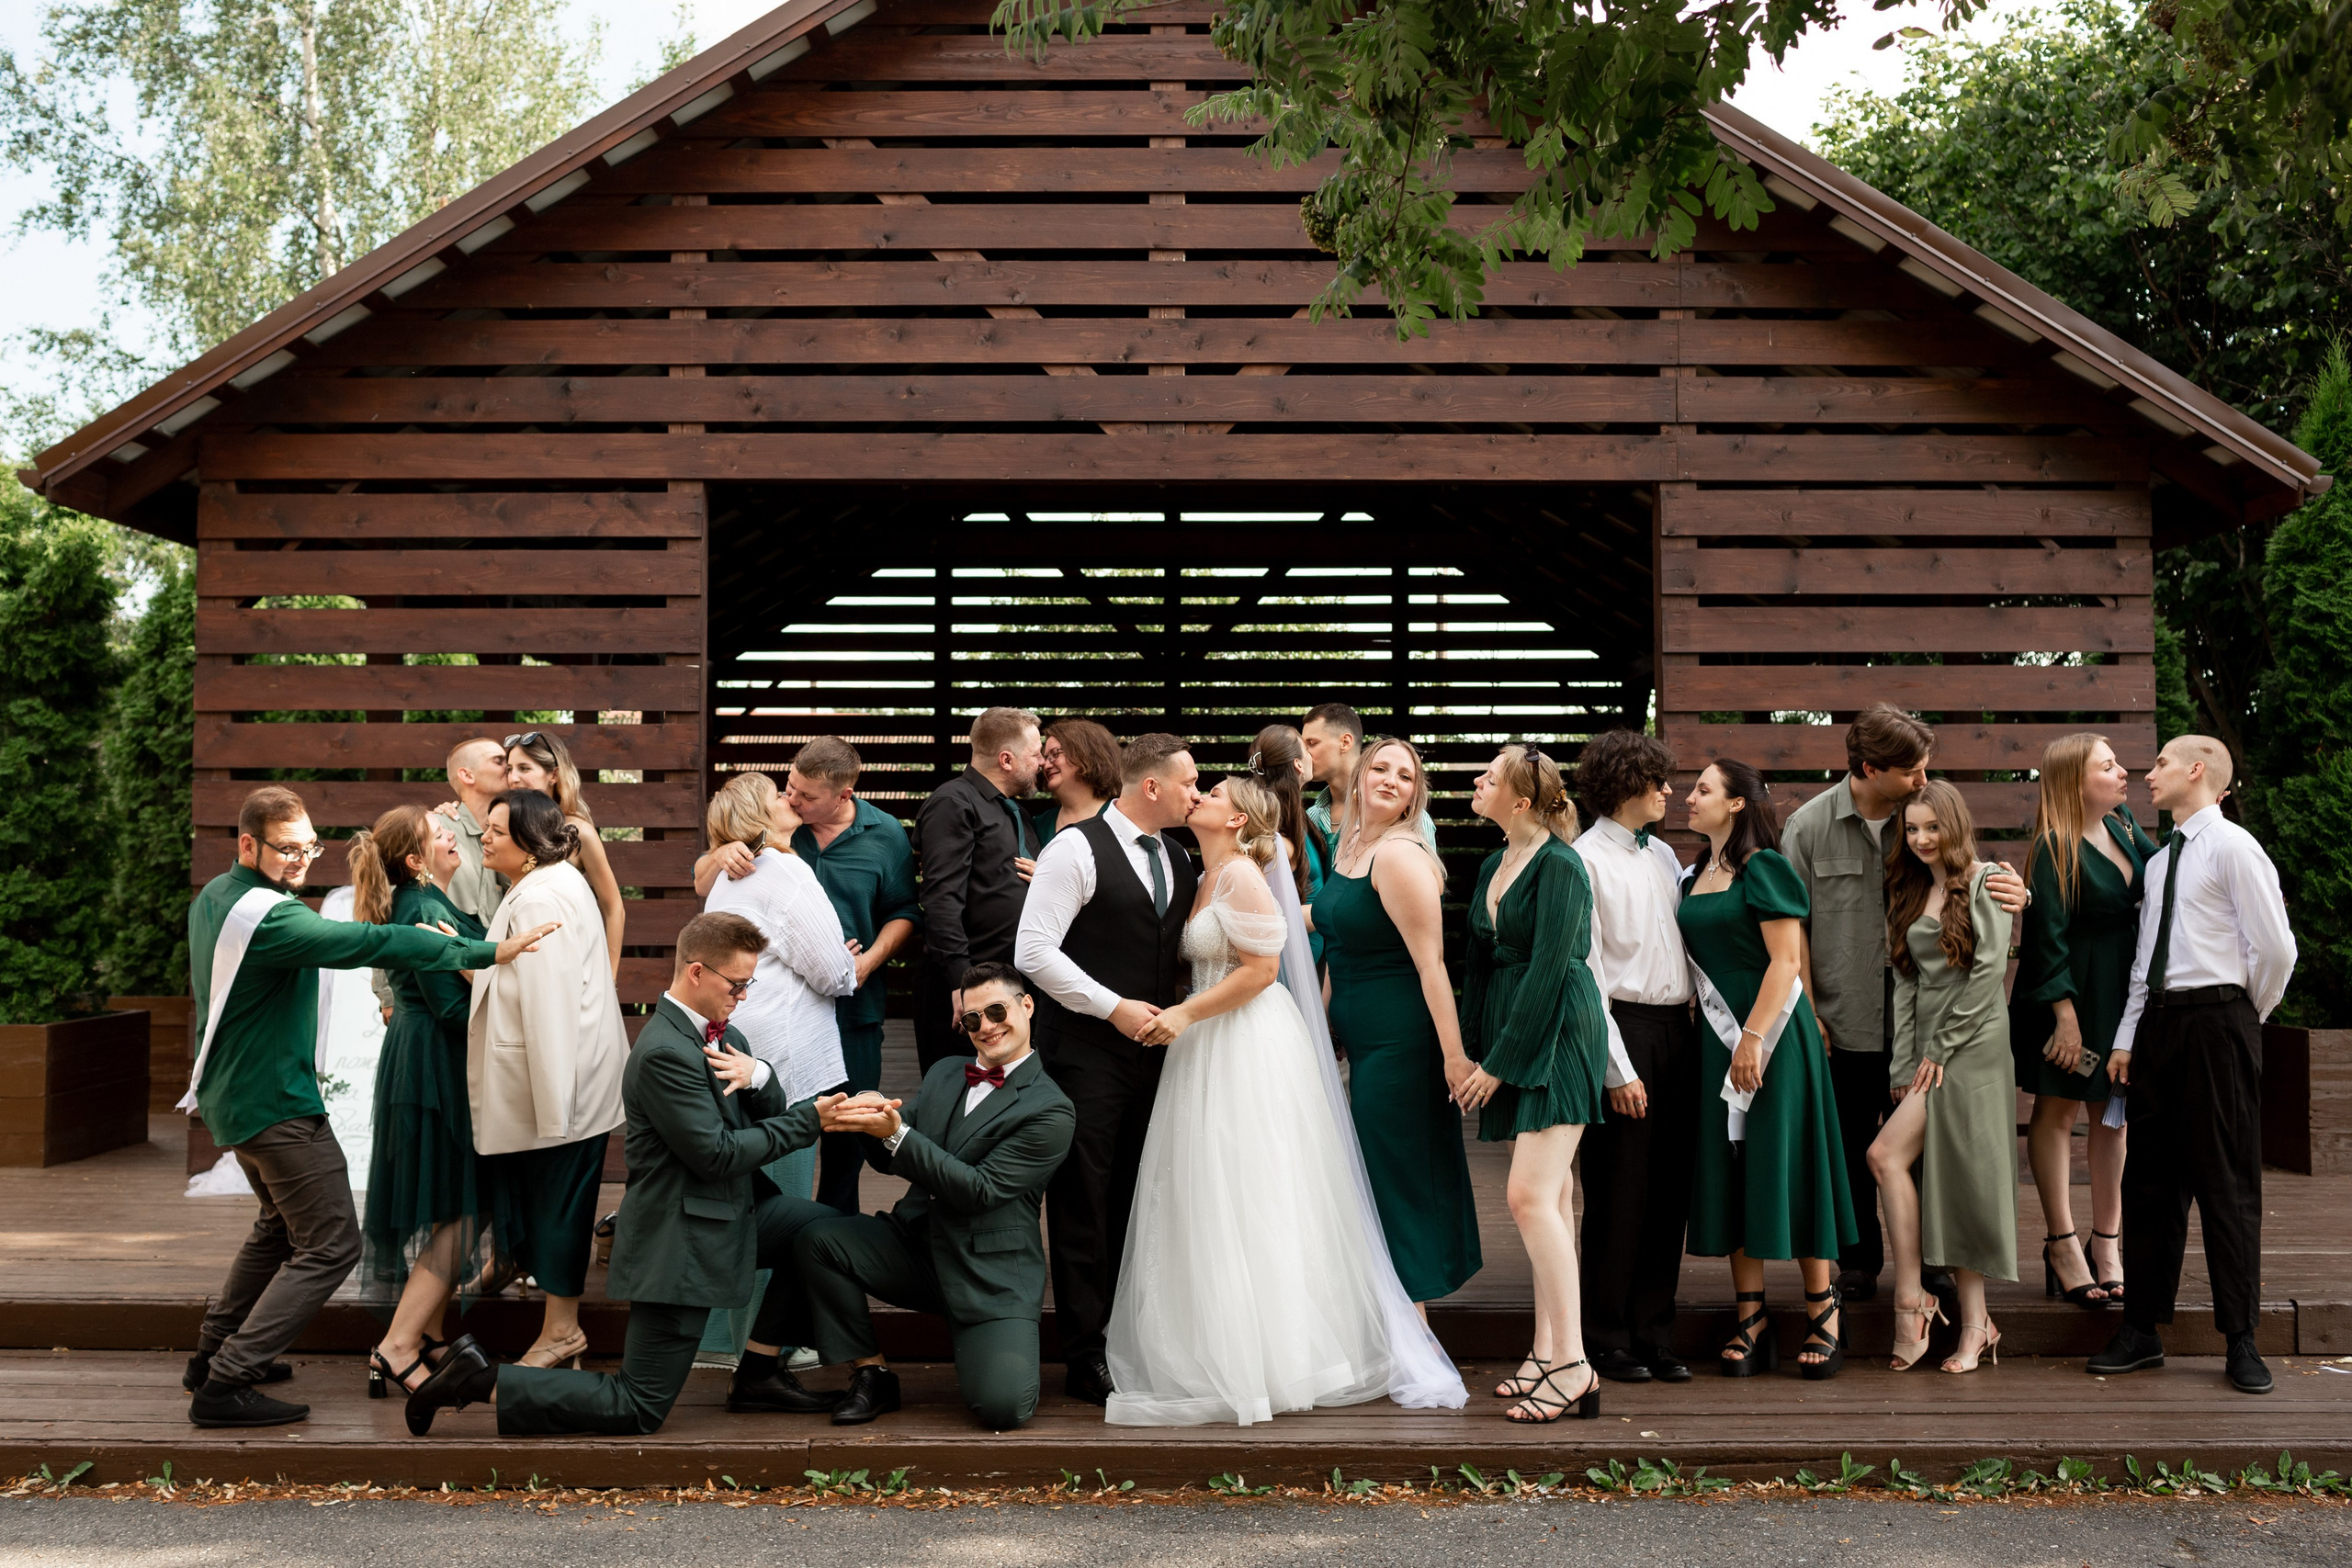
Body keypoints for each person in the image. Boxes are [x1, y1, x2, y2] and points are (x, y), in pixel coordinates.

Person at [179, 785, 553, 1428]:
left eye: (308, 847)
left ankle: (213, 1351)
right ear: (248, 844)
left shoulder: (217, 895)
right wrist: (489, 952)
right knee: (331, 1243)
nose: (301, 859)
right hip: (275, 1104)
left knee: (278, 1226)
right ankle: (228, 1378)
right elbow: (381, 945)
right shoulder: (276, 919)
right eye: (287, 849)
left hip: (232, 1095)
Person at [1106, 778, 1467, 1426]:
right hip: (1205, 1042)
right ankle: (1218, 1344)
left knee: (1257, 1185)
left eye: (1211, 791)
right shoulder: (1202, 872)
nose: (1199, 796)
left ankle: (1279, 1356)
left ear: (1238, 816)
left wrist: (1185, 1014)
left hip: (1246, 1038)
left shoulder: (1242, 875)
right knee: (1209, 1188)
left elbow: (1262, 971)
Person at [403, 914, 850, 1436]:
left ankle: (757, 1372)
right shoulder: (664, 1052)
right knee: (636, 1406)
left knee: (820, 1233)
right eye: (738, 984)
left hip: (731, 1213)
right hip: (678, 1242)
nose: (744, 995)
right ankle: (476, 1380)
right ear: (698, 972)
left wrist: (762, 1075)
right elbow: (718, 1155)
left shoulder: (728, 1036)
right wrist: (813, 1118)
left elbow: (763, 1118)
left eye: (750, 983)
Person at [1781, 705, 2024, 1303]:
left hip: (1925, 1017)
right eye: (1913, 770)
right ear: (1871, 767)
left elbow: (1970, 879)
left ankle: (1936, 1261)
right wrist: (1807, 1008)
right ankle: (1859, 1261)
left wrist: (2021, 889)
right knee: (1849, 1140)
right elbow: (1791, 928)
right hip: (1840, 1017)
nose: (1924, 779)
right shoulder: (1808, 828)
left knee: (1930, 1145)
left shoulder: (1922, 821)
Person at [785, 964, 1077, 1429]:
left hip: (989, 1275)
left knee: (1004, 1409)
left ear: (1027, 1005)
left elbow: (979, 1192)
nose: (987, 1026)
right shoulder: (945, 1073)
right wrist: (868, 1116)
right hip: (916, 1249)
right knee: (817, 1240)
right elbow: (889, 1158)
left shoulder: (1052, 1109)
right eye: (973, 1019)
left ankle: (984, 1343)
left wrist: (898, 1134)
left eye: (997, 1010)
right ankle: (872, 1372)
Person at [2092, 737, 2297, 1395]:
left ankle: (2241, 1338)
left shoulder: (2235, 846)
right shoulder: (2158, 865)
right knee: (2149, 1182)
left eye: (2161, 765)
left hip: (2219, 1024)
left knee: (2227, 1181)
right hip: (2157, 1026)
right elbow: (2144, 958)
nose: (2148, 774)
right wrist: (2127, 1034)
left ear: (2198, 770)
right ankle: (2141, 1331)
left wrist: (2241, 1015)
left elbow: (2275, 949)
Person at [1012, 732, 1201, 1404]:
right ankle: (1085, 1352)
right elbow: (1033, 950)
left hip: (1157, 1056)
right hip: (1085, 1053)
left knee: (1140, 1193)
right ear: (1150, 787)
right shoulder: (1075, 848)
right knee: (1085, 1201)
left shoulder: (1179, 857)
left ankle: (1132, 1337)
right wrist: (1112, 1006)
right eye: (1189, 782)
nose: (1196, 793)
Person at [1456, 746, 1627, 1423]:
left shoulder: (1562, 865)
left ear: (1521, 801)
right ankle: (1549, 1348)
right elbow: (1476, 958)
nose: (1477, 780)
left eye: (1488, 777)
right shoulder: (1495, 862)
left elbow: (1555, 968)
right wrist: (1476, 1052)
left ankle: (1576, 1365)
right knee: (1551, 1197)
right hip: (1508, 1027)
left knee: (1527, 1196)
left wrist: (1499, 1063)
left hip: (1557, 1031)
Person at [1679, 760, 1858, 1379]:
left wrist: (1753, 1038)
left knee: (1790, 1159)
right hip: (1718, 1042)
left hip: (1773, 1037)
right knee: (1736, 1166)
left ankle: (1823, 1309)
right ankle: (1750, 1316)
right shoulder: (1695, 873)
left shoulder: (1764, 866)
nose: (1688, 795)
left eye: (1702, 788)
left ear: (1735, 804)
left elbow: (1786, 961)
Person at [697, 737, 921, 1215]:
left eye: (805, 796)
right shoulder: (771, 836)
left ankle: (835, 1246)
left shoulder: (886, 834)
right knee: (784, 1123)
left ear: (845, 794)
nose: (793, 799)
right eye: (788, 787)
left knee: (848, 1134)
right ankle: (790, 1236)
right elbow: (703, 881)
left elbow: (904, 910)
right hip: (790, 1011)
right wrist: (720, 852)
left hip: (854, 1005)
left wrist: (866, 962)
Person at [1311, 738, 1483, 1306]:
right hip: (1357, 1040)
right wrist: (1320, 1024)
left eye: (1405, 777)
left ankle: (1419, 1330)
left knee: (1395, 1173)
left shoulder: (1401, 856)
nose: (1390, 780)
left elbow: (1433, 966)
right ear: (1358, 778)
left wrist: (1455, 1058)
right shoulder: (1349, 848)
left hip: (1402, 1041)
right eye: (1380, 769)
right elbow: (1336, 938)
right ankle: (1390, 1317)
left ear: (1414, 797)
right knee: (1369, 1169)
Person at [695, 772, 858, 1365]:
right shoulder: (787, 873)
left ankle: (716, 1338)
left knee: (735, 1197)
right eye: (778, 797)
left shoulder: (727, 880)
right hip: (781, 1066)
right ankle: (773, 1340)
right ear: (755, 819)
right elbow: (831, 972)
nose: (790, 799)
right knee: (783, 1200)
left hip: (733, 1053)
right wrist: (845, 961)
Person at [469, 788, 629, 1370]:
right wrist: (461, 954)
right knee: (547, 1200)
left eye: (495, 831)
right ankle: (553, 1324)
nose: (483, 837)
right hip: (559, 1085)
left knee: (562, 1204)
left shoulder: (543, 898)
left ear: (530, 846)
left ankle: (563, 1333)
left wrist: (555, 1109)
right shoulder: (542, 885)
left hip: (562, 1087)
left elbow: (550, 1004)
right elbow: (516, 976)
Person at [1869, 782, 2018, 1374]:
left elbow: (1987, 975)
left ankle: (1916, 1299)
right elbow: (1906, 985)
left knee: (1888, 1157)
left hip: (1974, 1043)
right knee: (1941, 1175)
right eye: (1912, 829)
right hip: (1929, 1050)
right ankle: (1974, 1323)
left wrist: (1942, 1049)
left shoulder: (1986, 882)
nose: (1922, 839)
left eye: (1932, 827)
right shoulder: (1909, 892)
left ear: (1954, 826)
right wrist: (1905, 1063)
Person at [349, 806, 493, 1398]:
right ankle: (399, 1344)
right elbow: (454, 1009)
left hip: (419, 1057)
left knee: (446, 1199)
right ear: (416, 861)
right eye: (442, 836)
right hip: (434, 1065)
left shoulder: (421, 900)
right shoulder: (426, 909)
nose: (454, 839)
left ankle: (429, 1332)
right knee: (468, 1203)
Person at [1571, 728, 1698, 1386]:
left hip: (1680, 1032)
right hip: (1624, 1031)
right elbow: (1588, 974)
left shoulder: (1665, 857)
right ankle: (1606, 1335)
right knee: (1620, 1192)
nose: (1669, 792)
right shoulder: (1585, 859)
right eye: (1659, 782)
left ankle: (1655, 1331)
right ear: (1626, 784)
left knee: (1668, 1192)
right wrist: (1618, 1069)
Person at [2012, 733, 2156, 1308]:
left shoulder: (2123, 824)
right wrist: (2064, 1019)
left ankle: (2108, 1242)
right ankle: (2062, 1243)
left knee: (2112, 1111)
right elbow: (2044, 939)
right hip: (2066, 998)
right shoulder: (2054, 846)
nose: (2123, 772)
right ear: (2076, 781)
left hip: (2121, 989)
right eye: (2108, 765)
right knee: (2058, 1107)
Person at [913, 706, 1044, 1075]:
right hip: (965, 989)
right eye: (1035, 754)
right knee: (957, 1099)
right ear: (1007, 759)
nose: (1041, 763)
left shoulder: (1014, 811)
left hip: (1010, 986)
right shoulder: (954, 803)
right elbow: (941, 899)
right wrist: (962, 983)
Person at [503, 730, 626, 980]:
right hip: (518, 965)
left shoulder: (580, 832)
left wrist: (609, 978)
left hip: (568, 964)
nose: (513, 778)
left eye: (524, 768)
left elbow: (614, 908)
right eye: (509, 769)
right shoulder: (504, 829)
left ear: (554, 774)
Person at [1301, 703, 1439, 862]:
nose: (1304, 754)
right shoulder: (1311, 815)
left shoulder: (1412, 819)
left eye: (1311, 744)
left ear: (1345, 742)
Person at [1248, 724, 1335, 966]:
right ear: (1298, 764)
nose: (1312, 754)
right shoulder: (1271, 832)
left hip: (1315, 954)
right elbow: (1268, 915)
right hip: (1293, 960)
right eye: (1307, 748)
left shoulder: (1298, 818)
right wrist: (1340, 913)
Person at [433, 738, 513, 923]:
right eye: (498, 761)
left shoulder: (513, 833)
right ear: (467, 776)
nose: (509, 767)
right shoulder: (435, 832)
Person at [1033, 716, 1121, 847]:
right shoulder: (1039, 825)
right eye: (1046, 757)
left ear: (1085, 754)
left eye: (1055, 754)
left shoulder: (1122, 818)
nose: (1045, 765)